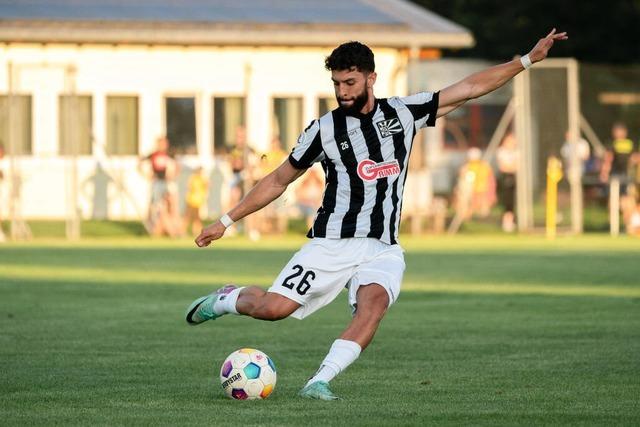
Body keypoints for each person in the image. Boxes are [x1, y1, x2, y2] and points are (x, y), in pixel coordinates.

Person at [186, 29, 567, 400]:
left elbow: (468, 88)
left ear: (371, 78)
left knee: (373, 307)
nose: (342, 91)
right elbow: (277, 180)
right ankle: (228, 298)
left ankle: (319, 382)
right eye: (337, 84)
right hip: (331, 244)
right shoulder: (325, 129)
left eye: (350, 82)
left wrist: (527, 60)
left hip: (383, 247)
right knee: (273, 309)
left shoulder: (403, 113)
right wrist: (225, 222)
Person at [139, 136, 180, 237]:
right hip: (157, 182)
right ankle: (154, 228)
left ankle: (173, 229)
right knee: (156, 206)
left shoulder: (169, 154)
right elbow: (140, 163)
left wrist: (173, 176)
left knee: (171, 204)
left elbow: (177, 166)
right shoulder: (153, 155)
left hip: (167, 182)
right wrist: (147, 175)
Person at [455, 147, 496, 219]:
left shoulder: (484, 166)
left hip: (481, 188)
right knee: (467, 204)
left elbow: (490, 178)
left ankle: (480, 219)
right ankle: (465, 217)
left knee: (482, 207)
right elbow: (462, 176)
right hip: (469, 188)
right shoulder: (466, 166)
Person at [496, 131, 519, 232]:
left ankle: (513, 221)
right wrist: (512, 167)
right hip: (506, 178)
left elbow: (518, 165)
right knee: (507, 201)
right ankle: (507, 223)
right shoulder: (501, 152)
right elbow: (503, 167)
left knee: (514, 201)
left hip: (515, 178)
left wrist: (512, 167)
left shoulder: (517, 152)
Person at [184, 166, 209, 237]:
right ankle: (186, 231)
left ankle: (196, 232)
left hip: (197, 201)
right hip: (193, 201)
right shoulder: (196, 179)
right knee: (189, 217)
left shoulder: (199, 179)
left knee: (196, 218)